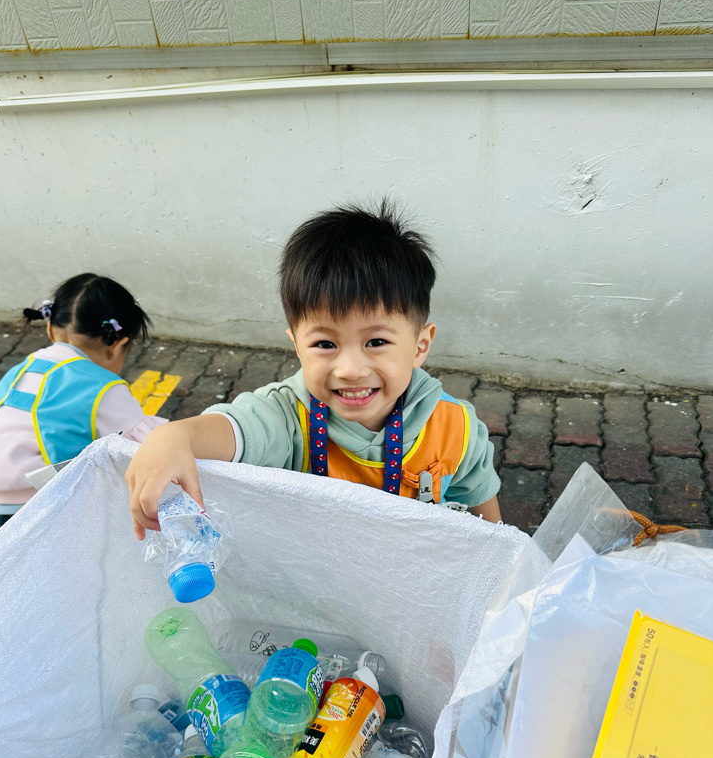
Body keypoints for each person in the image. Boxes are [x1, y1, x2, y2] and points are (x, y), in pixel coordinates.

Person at [126, 201, 501, 538]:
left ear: (420, 345)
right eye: (325, 344)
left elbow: (485, 514)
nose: (350, 369)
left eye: (376, 342)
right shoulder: (289, 418)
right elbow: (239, 428)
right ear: (296, 345)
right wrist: (176, 437)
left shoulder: (457, 429)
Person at [0, 273, 163, 540]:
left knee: (13, 557)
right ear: (117, 345)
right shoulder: (104, 387)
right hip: (35, 508)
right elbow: (147, 445)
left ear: (50, 328)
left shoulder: (26, 367)